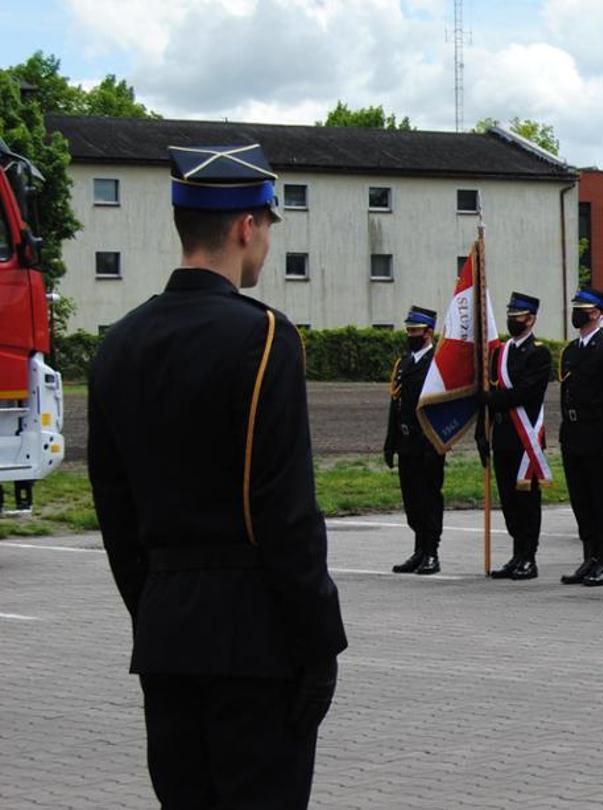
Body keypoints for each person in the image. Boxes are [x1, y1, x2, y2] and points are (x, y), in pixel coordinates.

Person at [91, 143, 344, 807]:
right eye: (267, 228)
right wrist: (319, 641)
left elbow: (115, 512)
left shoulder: (119, 342)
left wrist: (156, 607)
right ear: (245, 227)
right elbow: (284, 511)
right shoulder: (263, 337)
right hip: (256, 644)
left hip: (166, 634)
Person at [555, 289, 603, 588]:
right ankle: (589, 558)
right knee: (581, 501)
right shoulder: (572, 350)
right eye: (575, 307)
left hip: (597, 438)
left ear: (597, 312)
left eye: (582, 308)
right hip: (574, 436)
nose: (577, 313)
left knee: (601, 502)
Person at [487, 292, 553, 580]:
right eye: (510, 316)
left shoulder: (539, 352)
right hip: (502, 436)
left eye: (518, 317)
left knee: (527, 500)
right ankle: (516, 553)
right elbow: (493, 388)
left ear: (531, 319)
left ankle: (529, 556)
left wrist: (491, 399)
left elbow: (528, 392)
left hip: (525, 438)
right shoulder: (500, 352)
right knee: (508, 499)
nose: (513, 321)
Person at [386, 305, 445, 575]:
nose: (410, 335)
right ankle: (419, 549)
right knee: (411, 500)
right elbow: (395, 404)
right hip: (406, 442)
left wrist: (437, 442)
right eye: (408, 330)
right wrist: (390, 441)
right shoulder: (405, 362)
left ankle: (432, 551)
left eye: (416, 331)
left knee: (428, 497)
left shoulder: (438, 363)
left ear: (429, 332)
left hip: (428, 442)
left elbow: (442, 405)